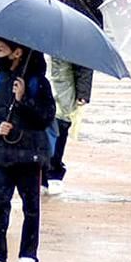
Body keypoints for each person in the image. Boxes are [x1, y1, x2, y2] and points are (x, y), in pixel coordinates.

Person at [0, 38, 57, 262]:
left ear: (17, 53)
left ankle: (28, 255)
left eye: (1, 50)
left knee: (31, 206)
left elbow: (46, 117)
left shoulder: (39, 83)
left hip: (30, 156)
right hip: (1, 155)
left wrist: (24, 100)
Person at [44, 59, 93, 196]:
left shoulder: (73, 40)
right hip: (38, 85)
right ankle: (41, 172)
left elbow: (84, 63)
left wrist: (83, 92)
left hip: (64, 89)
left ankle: (53, 171)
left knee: (59, 129)